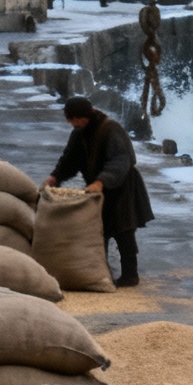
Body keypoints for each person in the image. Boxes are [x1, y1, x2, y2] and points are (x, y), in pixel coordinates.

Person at [45, 97, 153, 288]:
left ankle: (130, 275)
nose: (72, 124)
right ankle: (100, 273)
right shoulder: (79, 133)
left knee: (123, 231)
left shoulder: (110, 129)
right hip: (99, 189)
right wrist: (56, 177)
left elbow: (121, 160)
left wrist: (102, 181)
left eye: (74, 120)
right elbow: (70, 158)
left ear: (83, 117)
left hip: (122, 186)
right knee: (98, 231)